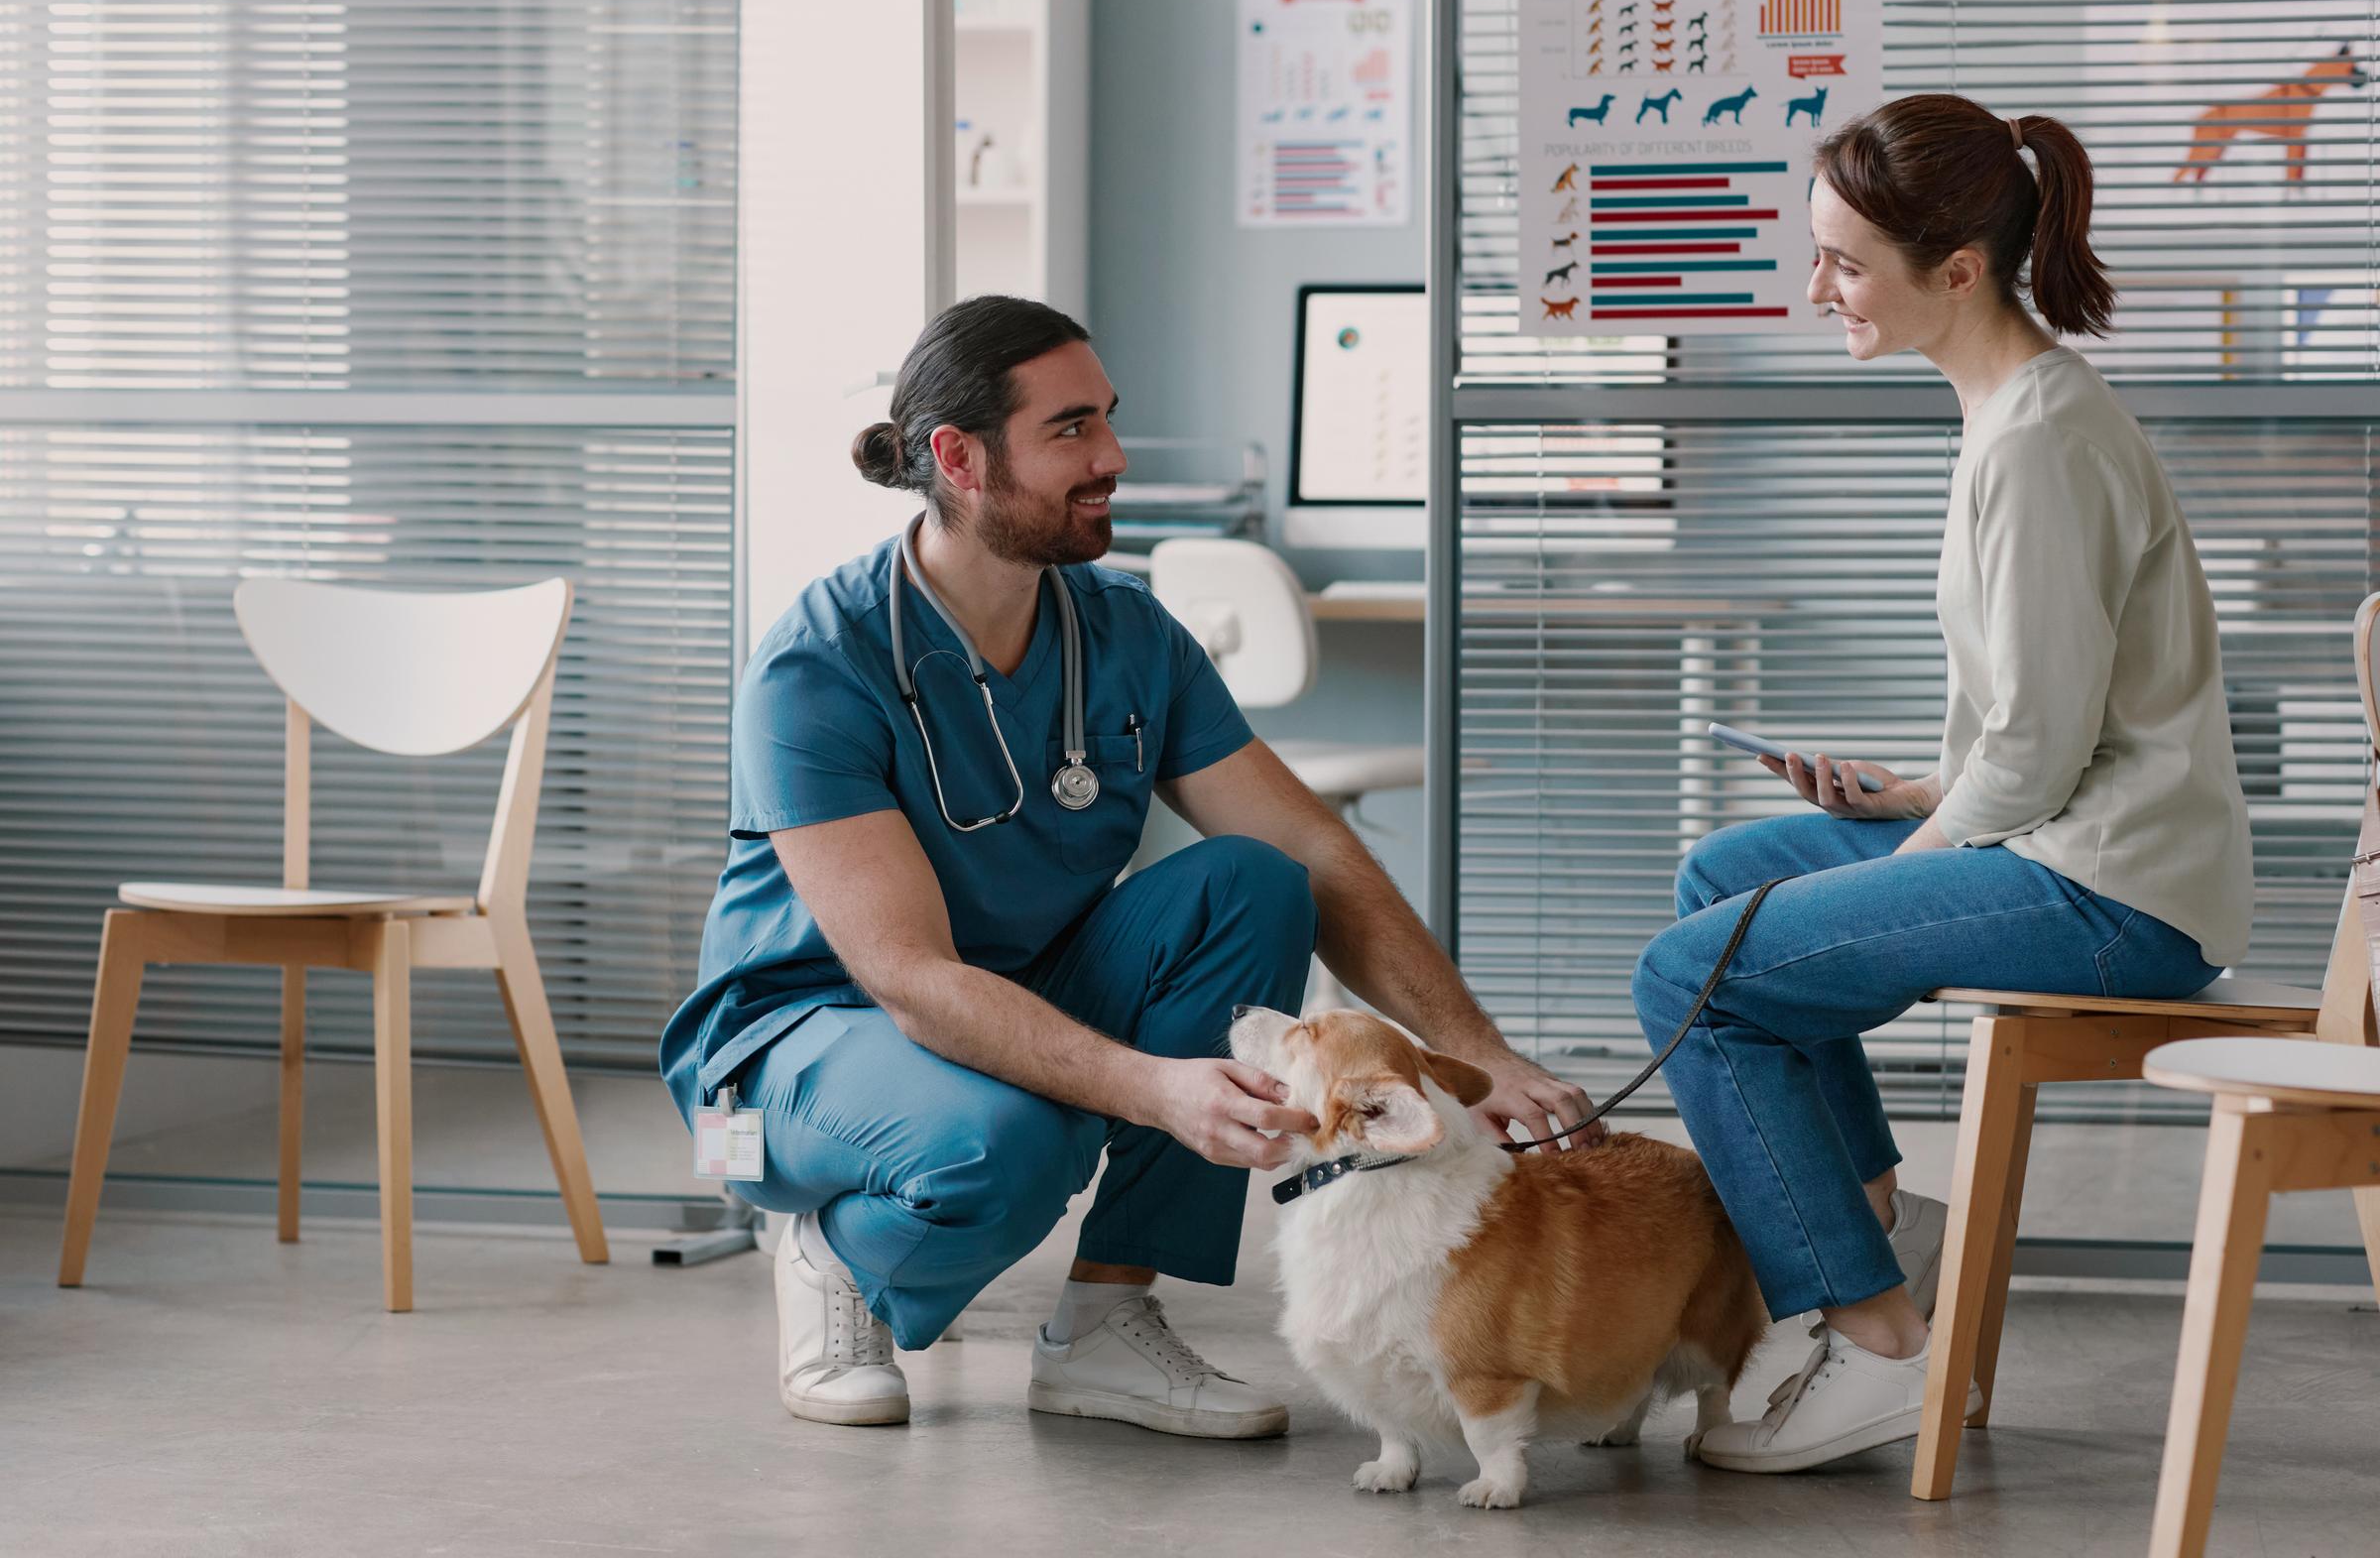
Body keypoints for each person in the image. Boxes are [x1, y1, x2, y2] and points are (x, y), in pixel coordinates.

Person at [658, 295, 1597, 1435]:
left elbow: (1313, 847)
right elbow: (907, 975)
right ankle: (836, 1250)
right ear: (958, 458)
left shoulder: (1128, 634)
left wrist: (1475, 1056)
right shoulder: (819, 664)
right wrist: (1155, 1087)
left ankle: (1104, 1324)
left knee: (1256, 882)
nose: (1111, 457)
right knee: (1009, 1143)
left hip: (1008, 996)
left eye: (1107, 419)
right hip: (788, 1053)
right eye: (1069, 430)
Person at [1633, 95, 2254, 1473]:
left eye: (1846, 262)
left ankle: (1870, 1333)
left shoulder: (2038, 441)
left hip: (2117, 895)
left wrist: (1911, 863)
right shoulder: (2006, 413)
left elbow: (2037, 755)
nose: (1817, 288)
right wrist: (1911, 798)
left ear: (1958, 270)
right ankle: (1865, 1221)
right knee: (1725, 879)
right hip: (2088, 845)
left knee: (1691, 978)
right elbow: (2052, 730)